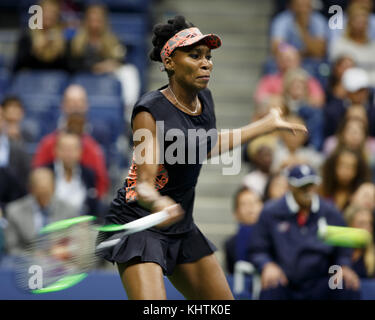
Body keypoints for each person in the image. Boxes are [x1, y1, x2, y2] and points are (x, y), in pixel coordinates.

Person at [96, 15, 307, 300]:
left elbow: (204, 145)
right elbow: (144, 183)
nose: (206, 62)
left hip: (181, 225)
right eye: (194, 55)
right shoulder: (149, 112)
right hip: (141, 223)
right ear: (169, 62)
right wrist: (159, 202)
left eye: (208, 56)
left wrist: (265, 126)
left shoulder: (204, 98)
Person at [248, 164, 360, 300]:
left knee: (346, 285)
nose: (308, 190)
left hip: (322, 279)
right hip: (284, 280)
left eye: (311, 185)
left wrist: (344, 266)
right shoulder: (271, 212)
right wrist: (267, 264)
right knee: (271, 286)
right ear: (290, 186)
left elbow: (343, 249)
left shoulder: (330, 212)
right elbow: (258, 249)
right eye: (302, 186)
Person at [32, 85, 109, 198]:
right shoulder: (48, 141)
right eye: (71, 102)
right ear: (62, 105)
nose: (76, 106)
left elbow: (101, 181)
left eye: (80, 102)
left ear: (86, 105)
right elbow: (37, 176)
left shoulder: (96, 139)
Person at [68, 3, 140, 115]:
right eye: (92, 20)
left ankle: (128, 111)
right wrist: (95, 67)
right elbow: (71, 64)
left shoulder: (111, 39)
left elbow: (121, 58)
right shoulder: (77, 41)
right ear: (86, 21)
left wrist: (113, 64)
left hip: (107, 74)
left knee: (129, 71)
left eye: (98, 20)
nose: (95, 24)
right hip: (83, 75)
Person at [3, 168, 78, 256]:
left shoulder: (69, 210)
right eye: (39, 189)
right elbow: (12, 247)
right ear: (30, 189)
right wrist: (32, 257)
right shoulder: (14, 211)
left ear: (54, 188)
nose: (43, 194)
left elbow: (75, 243)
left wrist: (62, 252)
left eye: (46, 191)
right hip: (26, 263)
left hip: (60, 263)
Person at [43, 131, 100, 216]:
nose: (69, 154)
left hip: (81, 224)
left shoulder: (88, 174)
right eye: (65, 149)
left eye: (73, 149)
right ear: (55, 150)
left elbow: (93, 205)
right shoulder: (45, 173)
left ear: (80, 151)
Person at [254, 43, 325, 108]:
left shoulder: (308, 80)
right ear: (278, 61)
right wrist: (288, 100)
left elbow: (319, 100)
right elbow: (260, 98)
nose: (287, 63)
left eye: (290, 60)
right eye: (283, 59)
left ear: (298, 61)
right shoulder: (269, 80)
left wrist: (298, 101)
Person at [13, 0, 68, 72]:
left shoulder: (63, 37)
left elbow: (68, 70)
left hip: (56, 80)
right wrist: (34, 50)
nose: (49, 15)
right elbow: (17, 67)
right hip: (31, 80)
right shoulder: (27, 36)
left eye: (53, 12)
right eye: (46, 11)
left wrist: (60, 51)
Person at [329, 3, 375, 86]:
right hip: (347, 87)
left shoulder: (373, 46)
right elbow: (338, 74)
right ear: (349, 22)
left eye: (363, 22)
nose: (360, 25)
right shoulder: (339, 44)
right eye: (357, 21)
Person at [224, 187, 263, 274]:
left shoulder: (275, 236)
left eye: (255, 202)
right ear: (236, 213)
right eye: (244, 204)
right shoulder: (230, 244)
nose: (251, 207)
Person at [320, 146, 371, 211]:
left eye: (351, 167)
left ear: (358, 170)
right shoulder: (322, 190)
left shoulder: (362, 193)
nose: (346, 172)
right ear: (333, 167)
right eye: (342, 165)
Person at [344, 205, 375, 278]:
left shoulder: (372, 255)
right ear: (349, 225)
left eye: (369, 223)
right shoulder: (336, 253)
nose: (367, 228)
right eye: (361, 223)